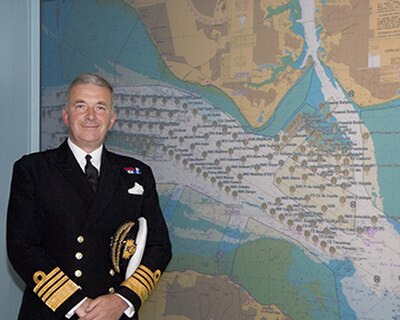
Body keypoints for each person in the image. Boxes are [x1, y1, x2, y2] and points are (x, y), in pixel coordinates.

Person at [7, 73, 172, 319]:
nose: (91, 116)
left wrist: (122, 299)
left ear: (112, 119)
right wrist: (76, 303)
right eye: (81, 105)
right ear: (66, 115)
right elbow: (22, 246)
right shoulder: (33, 170)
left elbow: (159, 247)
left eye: (100, 107)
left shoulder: (137, 174)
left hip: (115, 313)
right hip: (53, 311)